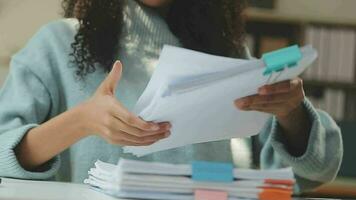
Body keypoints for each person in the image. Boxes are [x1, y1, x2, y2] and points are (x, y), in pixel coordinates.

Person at [0, 0, 342, 193]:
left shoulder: (228, 53)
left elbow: (307, 175)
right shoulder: (57, 44)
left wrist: (293, 114)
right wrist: (80, 122)